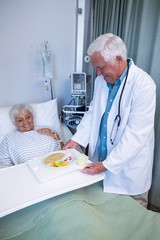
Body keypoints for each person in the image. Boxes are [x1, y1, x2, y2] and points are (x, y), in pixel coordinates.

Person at [63, 33, 156, 206]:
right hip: (100, 169)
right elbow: (93, 113)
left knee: (132, 224)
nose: (98, 73)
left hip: (128, 174)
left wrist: (107, 165)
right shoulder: (101, 82)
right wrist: (77, 139)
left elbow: (136, 135)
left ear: (119, 59)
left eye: (101, 67)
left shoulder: (144, 85)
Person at [0, 103, 63, 168]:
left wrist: (56, 137)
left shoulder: (47, 129)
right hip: (29, 174)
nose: (25, 122)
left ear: (32, 117)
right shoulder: (9, 139)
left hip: (59, 166)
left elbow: (64, 149)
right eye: (20, 120)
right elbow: (3, 163)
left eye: (28, 117)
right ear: (14, 122)